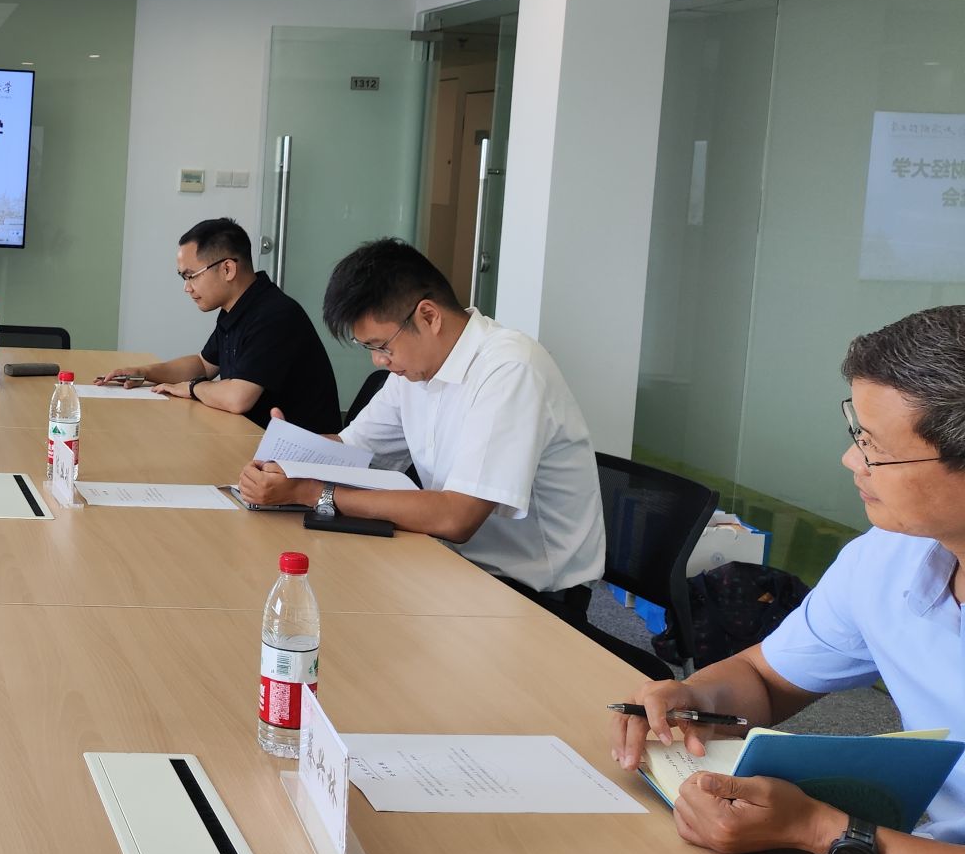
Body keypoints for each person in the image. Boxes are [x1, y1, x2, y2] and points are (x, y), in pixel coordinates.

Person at [613, 307, 965, 854]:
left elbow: (826, 831)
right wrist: (695, 700)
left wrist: (822, 831)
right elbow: (765, 677)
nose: (851, 461)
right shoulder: (889, 557)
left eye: (876, 448)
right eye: (857, 434)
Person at [236, 238, 603, 615]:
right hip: (447, 564)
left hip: (530, 596)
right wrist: (292, 457)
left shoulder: (510, 369)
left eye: (382, 346)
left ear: (429, 316)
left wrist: (314, 492)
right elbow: (352, 450)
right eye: (370, 348)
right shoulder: (414, 371)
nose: (379, 361)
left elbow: (456, 516)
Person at [93, 217, 340, 430]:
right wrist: (145, 373)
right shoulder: (238, 307)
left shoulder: (275, 315)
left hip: (297, 455)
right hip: (253, 436)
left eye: (191, 276)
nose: (187, 287)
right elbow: (203, 364)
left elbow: (237, 398)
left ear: (227, 269)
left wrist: (193, 388)